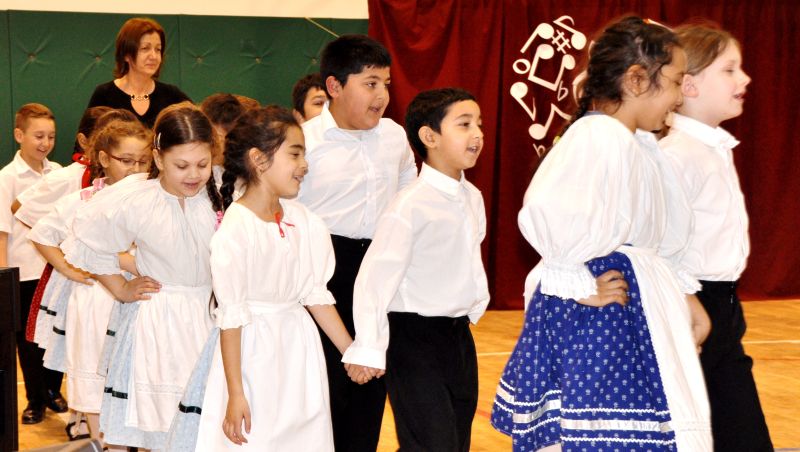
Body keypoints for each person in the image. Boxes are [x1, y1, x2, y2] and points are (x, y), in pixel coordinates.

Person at [490, 16, 713, 451]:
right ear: (635, 79)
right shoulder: (598, 137)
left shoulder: (635, 143)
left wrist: (683, 296)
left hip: (635, 308)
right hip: (607, 319)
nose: (680, 96)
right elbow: (550, 209)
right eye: (675, 81)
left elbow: (652, 240)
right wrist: (575, 280)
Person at [166, 106, 353, 451]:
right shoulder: (237, 228)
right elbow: (231, 318)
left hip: (299, 351)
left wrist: (350, 352)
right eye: (294, 154)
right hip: (254, 355)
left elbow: (315, 294)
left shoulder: (305, 220)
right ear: (259, 159)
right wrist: (235, 393)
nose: (304, 165)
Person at [62, 102, 221, 450]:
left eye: (202, 164)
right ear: (159, 159)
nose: (193, 174)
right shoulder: (138, 197)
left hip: (212, 318)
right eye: (181, 165)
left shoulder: (223, 191)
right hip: (161, 323)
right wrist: (119, 287)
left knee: (208, 427)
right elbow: (87, 239)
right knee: (163, 425)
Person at [342, 87, 489, 450]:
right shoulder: (409, 205)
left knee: (455, 440)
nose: (477, 134)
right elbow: (375, 279)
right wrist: (369, 347)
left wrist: (472, 308)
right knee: (430, 443)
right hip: (414, 340)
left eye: (479, 124)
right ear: (429, 136)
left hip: (458, 338)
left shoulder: (472, 198)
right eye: (464, 124)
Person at [297, 34, 417, 451]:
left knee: (370, 386)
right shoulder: (304, 142)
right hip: (322, 274)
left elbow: (409, 191)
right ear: (334, 85)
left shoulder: (394, 136)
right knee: (326, 391)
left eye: (386, 83)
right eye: (370, 83)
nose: (381, 95)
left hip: (378, 271)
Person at [659, 23, 773, 452]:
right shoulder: (676, 155)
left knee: (742, 436)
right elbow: (657, 245)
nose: (744, 78)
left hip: (724, 306)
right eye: (729, 69)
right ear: (688, 85)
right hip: (691, 308)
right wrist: (691, 305)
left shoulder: (712, 149)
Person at [29, 119, 153, 446]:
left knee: (135, 379)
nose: (135, 169)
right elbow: (41, 234)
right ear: (104, 158)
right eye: (127, 160)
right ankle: (102, 443)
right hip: (96, 299)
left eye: (142, 161)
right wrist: (68, 269)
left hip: (141, 299)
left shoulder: (153, 198)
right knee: (95, 379)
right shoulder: (83, 200)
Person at [0, 103, 65, 424]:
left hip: (56, 270)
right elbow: (2, 232)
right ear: (19, 135)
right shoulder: (7, 178)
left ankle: (53, 391)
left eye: (51, 136)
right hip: (24, 272)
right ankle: (34, 400)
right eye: (38, 136)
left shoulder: (59, 172)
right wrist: (4, 277)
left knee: (55, 333)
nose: (45, 143)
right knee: (27, 341)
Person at [87, 17, 190, 128]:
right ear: (126, 55)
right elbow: (85, 137)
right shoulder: (104, 95)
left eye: (158, 49)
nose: (154, 56)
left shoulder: (171, 95)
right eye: (145, 48)